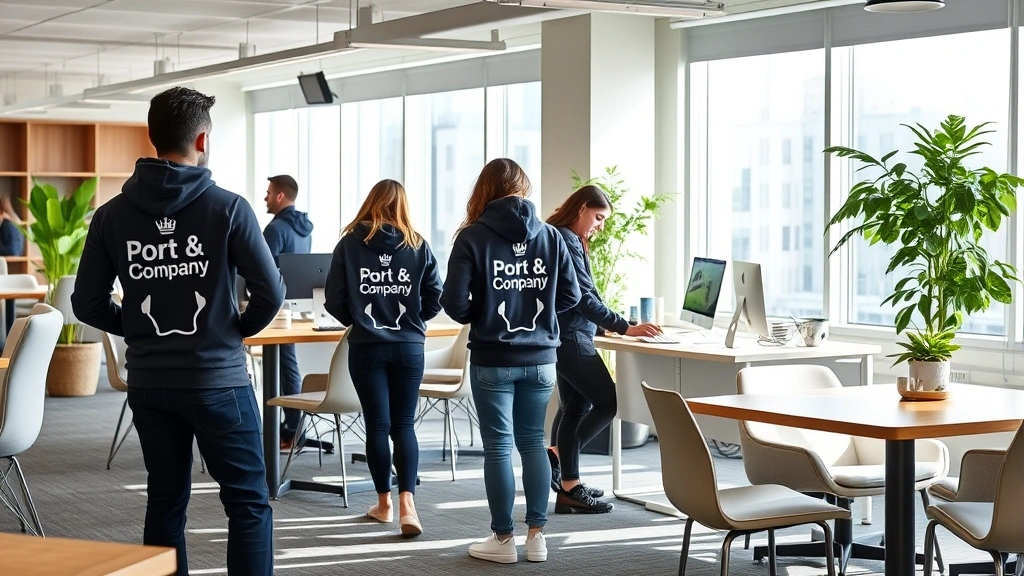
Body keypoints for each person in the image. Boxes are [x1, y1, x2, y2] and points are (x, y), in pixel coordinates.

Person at [71, 86, 285, 576]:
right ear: (202, 140)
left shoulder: (110, 216)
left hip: (150, 383)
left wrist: (138, 327)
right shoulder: (229, 208)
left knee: (165, 500)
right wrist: (233, 331)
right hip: (217, 380)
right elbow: (270, 293)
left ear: (152, 136)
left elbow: (86, 303)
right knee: (247, 503)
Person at [441, 158, 581, 564]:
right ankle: (537, 538)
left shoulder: (472, 237)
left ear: (484, 191)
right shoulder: (551, 236)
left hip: (493, 357)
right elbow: (571, 296)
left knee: (499, 448)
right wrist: (541, 319)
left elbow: (453, 302)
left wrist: (484, 312)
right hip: (541, 359)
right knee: (533, 443)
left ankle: (503, 540)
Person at [324, 179, 442, 538]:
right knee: (404, 425)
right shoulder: (417, 244)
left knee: (377, 425)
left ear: (370, 203)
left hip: (367, 347)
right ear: (403, 206)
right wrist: (413, 321)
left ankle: (384, 504)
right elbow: (436, 296)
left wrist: (359, 321)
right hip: (409, 347)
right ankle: (408, 505)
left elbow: (333, 299)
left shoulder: (349, 244)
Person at [545, 185, 661, 514]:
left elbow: (576, 296)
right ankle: (556, 457)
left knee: (575, 407)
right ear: (581, 207)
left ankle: (570, 487)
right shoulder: (566, 239)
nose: (601, 226)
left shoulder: (565, 236)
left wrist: (602, 325)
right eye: (598, 217)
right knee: (608, 402)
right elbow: (582, 298)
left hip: (569, 334)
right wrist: (625, 327)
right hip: (571, 338)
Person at [262, 174, 329, 452]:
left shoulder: (275, 229)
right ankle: (291, 427)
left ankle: (291, 430)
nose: (265, 198)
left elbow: (262, 270)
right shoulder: (305, 230)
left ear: (280, 196)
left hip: (276, 309)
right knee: (287, 365)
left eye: (268, 193)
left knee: (285, 366)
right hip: (296, 306)